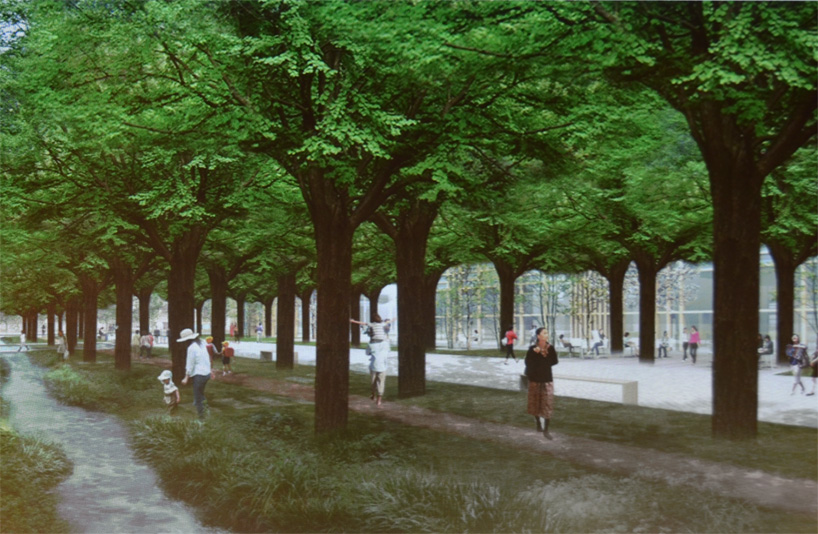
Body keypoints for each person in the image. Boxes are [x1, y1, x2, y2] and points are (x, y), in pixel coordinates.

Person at [525, 327, 559, 440]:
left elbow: (554, 361)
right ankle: (538, 424)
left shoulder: (551, 348)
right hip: (535, 380)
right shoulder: (532, 349)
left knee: (547, 404)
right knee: (535, 403)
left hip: (546, 379)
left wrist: (544, 354)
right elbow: (528, 362)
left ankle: (546, 430)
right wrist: (536, 355)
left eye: (547, 333)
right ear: (538, 336)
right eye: (544, 333)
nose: (546, 335)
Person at [350, 315, 392, 406]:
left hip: (374, 366)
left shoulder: (371, 344)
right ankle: (379, 400)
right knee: (381, 382)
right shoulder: (386, 344)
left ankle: (373, 395)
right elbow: (388, 323)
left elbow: (367, 353)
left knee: (373, 382)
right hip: (383, 366)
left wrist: (353, 321)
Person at [179, 328, 214, 419]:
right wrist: (210, 370)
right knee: (200, 393)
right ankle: (206, 411)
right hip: (206, 374)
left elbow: (190, 363)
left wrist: (186, 377)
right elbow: (207, 358)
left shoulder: (191, 348)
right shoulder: (202, 343)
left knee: (198, 397)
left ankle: (202, 418)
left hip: (199, 375)